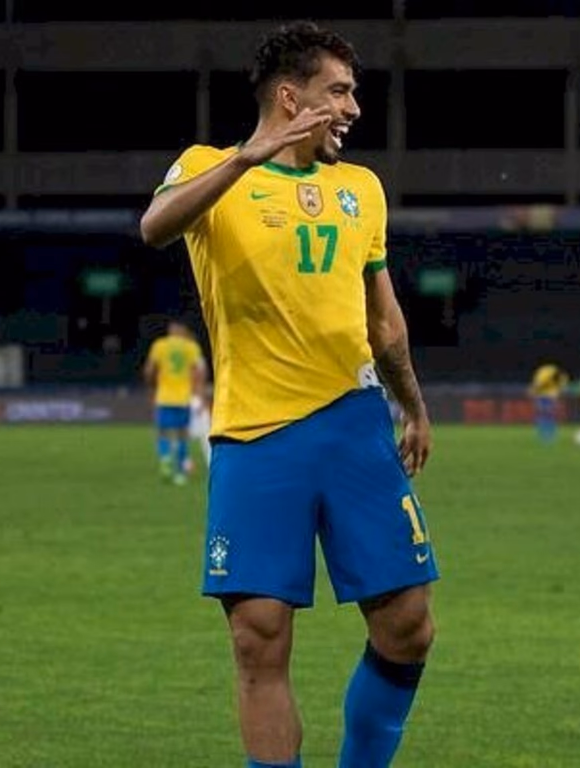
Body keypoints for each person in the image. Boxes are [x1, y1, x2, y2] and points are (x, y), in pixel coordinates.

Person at [139, 21, 438, 768]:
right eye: (339, 91)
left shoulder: (359, 188)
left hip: (354, 426)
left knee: (408, 624)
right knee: (258, 635)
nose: (353, 107)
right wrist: (250, 156)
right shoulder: (212, 167)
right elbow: (153, 227)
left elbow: (385, 321)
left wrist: (414, 404)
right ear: (289, 96)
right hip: (255, 436)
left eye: (353, 93)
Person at [143, 319, 205, 485]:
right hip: (184, 398)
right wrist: (198, 395)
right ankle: (180, 473)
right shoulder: (191, 347)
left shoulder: (160, 345)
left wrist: (151, 385)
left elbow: (149, 370)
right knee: (182, 435)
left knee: (162, 432)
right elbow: (198, 373)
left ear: (171, 329)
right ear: (183, 330)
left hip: (164, 397)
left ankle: (165, 458)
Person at [528, 362, 569, 442]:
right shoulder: (545, 373)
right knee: (543, 414)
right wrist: (532, 392)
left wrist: (556, 395)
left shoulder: (562, 376)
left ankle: (550, 436)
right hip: (541, 396)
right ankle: (543, 435)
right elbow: (537, 385)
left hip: (551, 397)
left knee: (550, 415)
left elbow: (562, 387)